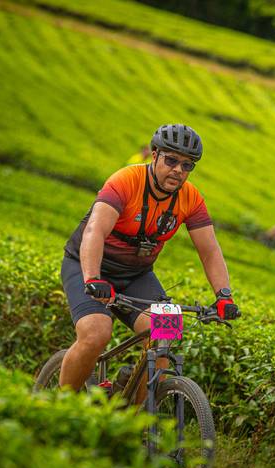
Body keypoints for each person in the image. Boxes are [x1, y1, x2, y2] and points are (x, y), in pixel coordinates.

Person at [59, 124, 240, 400]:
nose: (178, 170)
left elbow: (210, 251)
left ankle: (133, 416)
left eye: (187, 165)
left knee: (166, 333)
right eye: (171, 160)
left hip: (136, 275)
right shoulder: (125, 181)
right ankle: (57, 405)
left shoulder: (190, 198)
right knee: (96, 333)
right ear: (154, 155)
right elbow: (95, 231)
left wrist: (224, 295)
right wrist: (93, 278)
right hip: (88, 267)